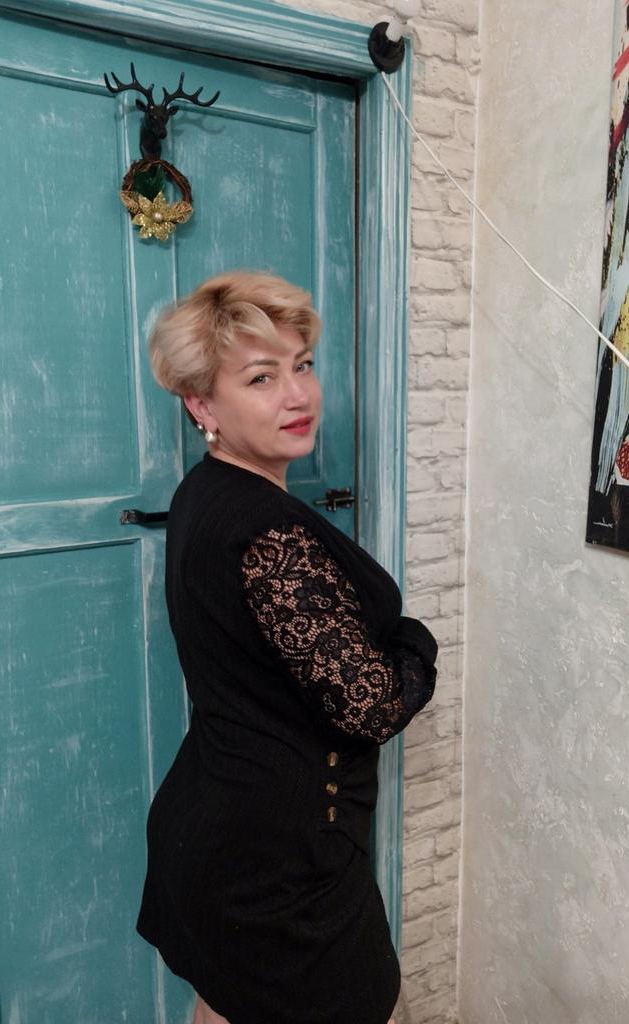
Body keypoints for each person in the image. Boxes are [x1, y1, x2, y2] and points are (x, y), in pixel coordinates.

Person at [136, 271, 438, 1024]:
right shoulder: (269, 533)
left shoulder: (204, 493)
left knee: (224, 1005)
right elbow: (370, 706)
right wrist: (415, 643)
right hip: (274, 867)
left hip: (216, 830)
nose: (298, 394)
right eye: (261, 377)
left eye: (302, 365)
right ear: (202, 405)